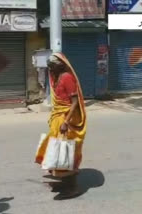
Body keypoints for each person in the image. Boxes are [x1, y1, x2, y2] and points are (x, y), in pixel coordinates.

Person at [35, 53, 87, 200]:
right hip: (58, 118)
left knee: (65, 153)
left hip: (66, 120)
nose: (50, 69)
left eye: (52, 66)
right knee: (55, 151)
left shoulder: (67, 78)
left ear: (60, 65)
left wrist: (65, 122)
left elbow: (75, 102)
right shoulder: (56, 78)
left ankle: (72, 187)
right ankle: (63, 183)